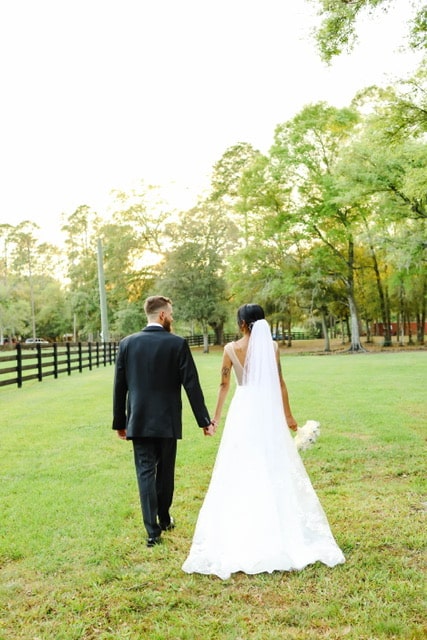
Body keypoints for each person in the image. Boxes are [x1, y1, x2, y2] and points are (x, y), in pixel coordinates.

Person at [182, 303, 345, 579]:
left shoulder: (231, 349)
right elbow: (280, 382)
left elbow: (224, 385)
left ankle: (244, 525)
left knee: (241, 464)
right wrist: (289, 418)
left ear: (242, 324)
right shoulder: (272, 348)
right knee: (272, 462)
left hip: (243, 408)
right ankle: (275, 525)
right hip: (267, 409)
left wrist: (216, 418)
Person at [112, 295, 214, 548]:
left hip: (139, 419)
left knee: (145, 473)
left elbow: (119, 387)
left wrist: (120, 421)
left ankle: (152, 532)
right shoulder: (177, 344)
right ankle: (165, 518)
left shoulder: (127, 344)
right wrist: (203, 420)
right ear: (162, 316)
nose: (172, 317)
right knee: (165, 471)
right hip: (167, 421)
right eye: (171, 313)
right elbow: (191, 384)